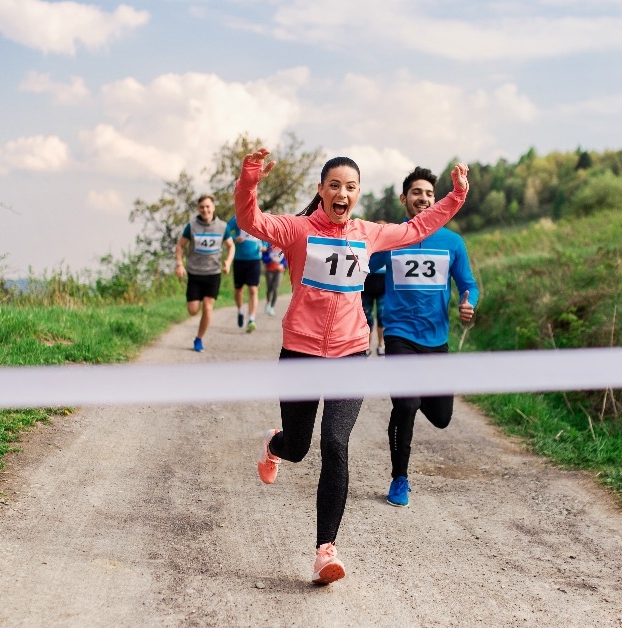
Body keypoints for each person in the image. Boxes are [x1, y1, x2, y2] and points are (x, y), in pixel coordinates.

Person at [235, 148, 468, 585]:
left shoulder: (369, 233)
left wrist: (455, 197)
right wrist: (249, 180)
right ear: (322, 191)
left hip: (350, 354)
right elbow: (251, 221)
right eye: (335, 185)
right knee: (300, 446)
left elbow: (418, 226)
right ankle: (275, 444)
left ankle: (325, 551)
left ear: (357, 194)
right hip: (301, 354)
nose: (342, 193)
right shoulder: (297, 229)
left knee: (335, 443)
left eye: (351, 186)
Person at [370, 166, 479, 507]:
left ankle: (407, 407)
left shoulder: (452, 242)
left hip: (436, 341)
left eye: (430, 194)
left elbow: (468, 285)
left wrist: (467, 303)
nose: (424, 198)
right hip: (399, 335)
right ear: (404, 199)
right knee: (407, 403)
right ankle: (399, 478)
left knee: (442, 417)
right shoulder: (393, 237)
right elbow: (363, 265)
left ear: (438, 200)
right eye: (417, 192)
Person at [174, 194, 234, 352]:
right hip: (194, 273)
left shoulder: (222, 227)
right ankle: (197, 306)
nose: (205, 210)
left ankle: (199, 339)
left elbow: (231, 246)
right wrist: (179, 265)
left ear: (213, 207)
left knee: (208, 307)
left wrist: (227, 262)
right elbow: (180, 246)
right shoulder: (192, 226)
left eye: (208, 206)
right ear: (198, 209)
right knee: (193, 310)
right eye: (202, 207)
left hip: (213, 274)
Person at [225, 213, 264, 332]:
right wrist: (234, 238)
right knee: (238, 290)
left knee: (253, 289)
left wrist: (265, 245)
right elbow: (225, 231)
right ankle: (241, 310)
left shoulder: (259, 217)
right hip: (239, 260)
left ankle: (251, 319)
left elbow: (267, 233)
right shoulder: (237, 218)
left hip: (255, 260)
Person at [361, 221, 387, 356]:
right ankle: (367, 346)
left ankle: (381, 344)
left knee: (382, 317)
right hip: (366, 289)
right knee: (367, 319)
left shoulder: (390, 246)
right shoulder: (365, 246)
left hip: (383, 289)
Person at [262, 244, 287, 315]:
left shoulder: (284, 245)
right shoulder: (268, 245)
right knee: (269, 288)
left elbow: (287, 258)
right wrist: (270, 259)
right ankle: (268, 303)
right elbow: (264, 258)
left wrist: (282, 265)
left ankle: (272, 307)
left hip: (279, 271)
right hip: (269, 270)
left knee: (276, 289)